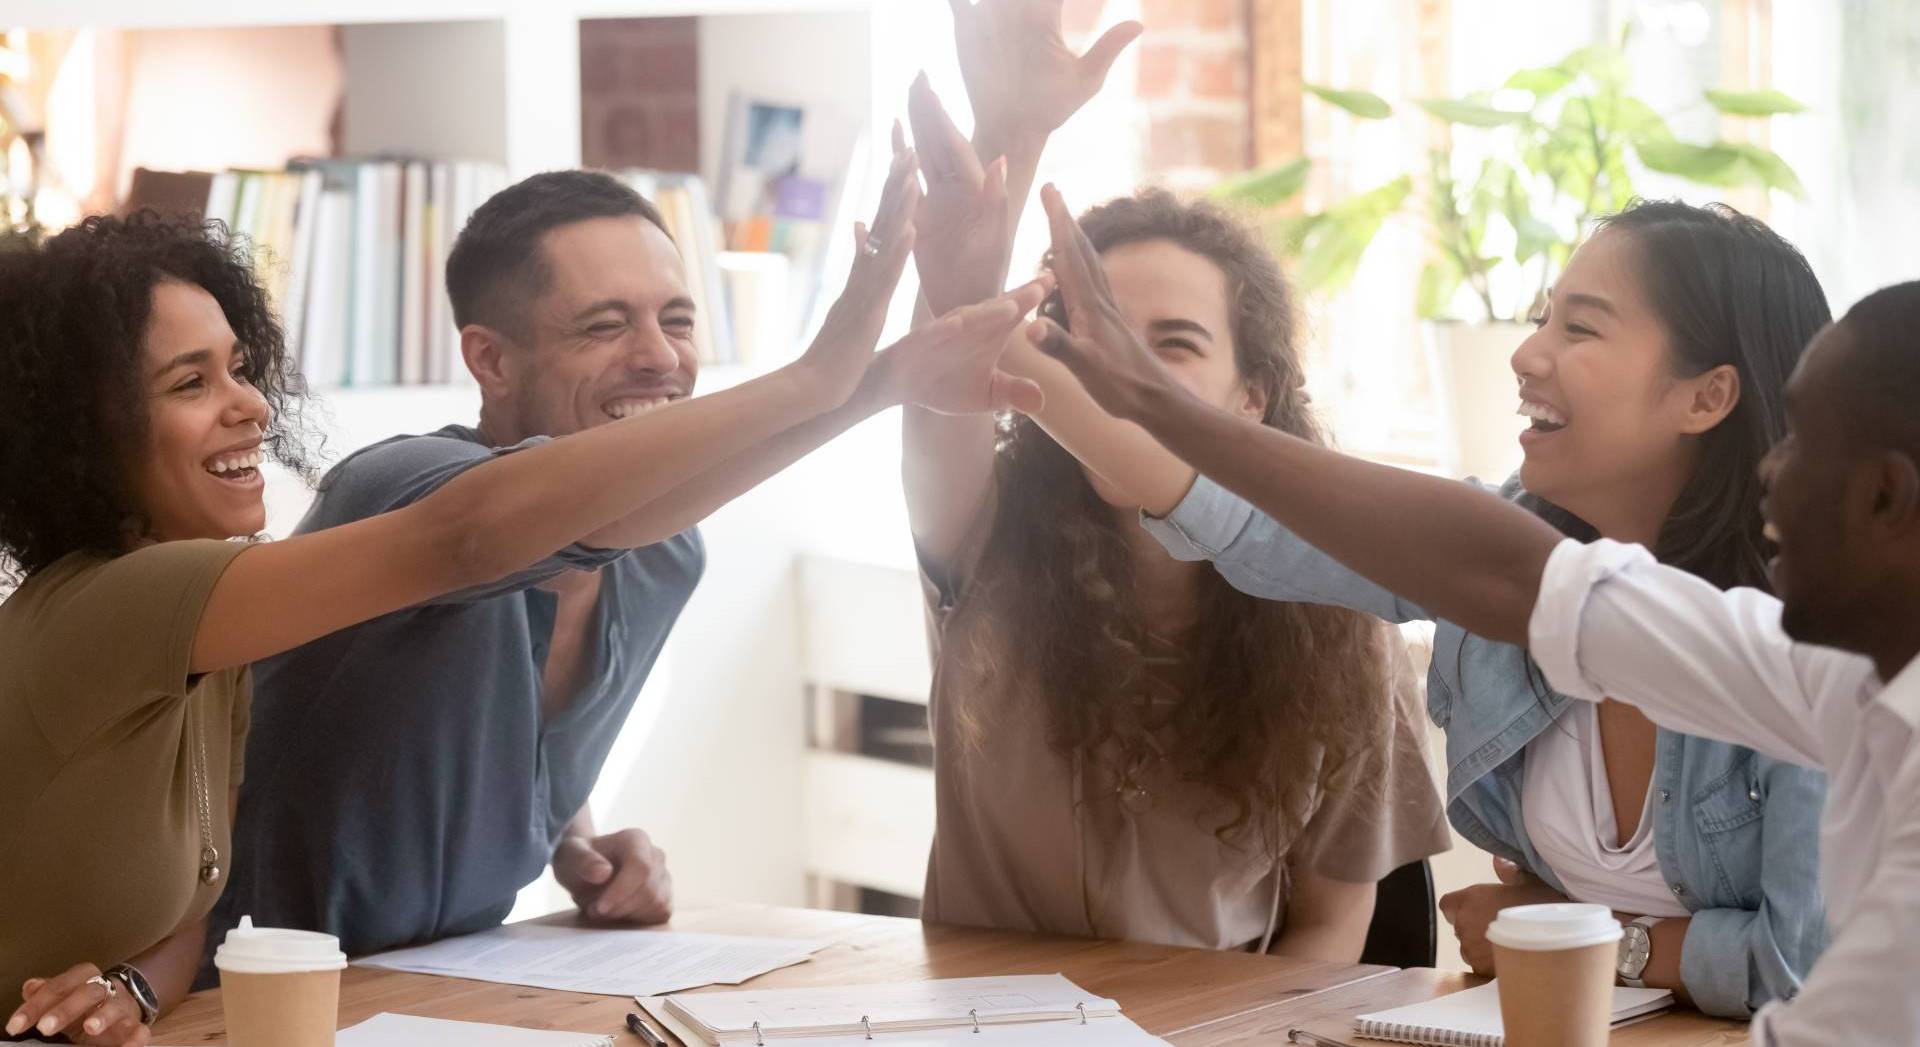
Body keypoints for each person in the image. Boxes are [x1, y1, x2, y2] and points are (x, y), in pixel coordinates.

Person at [0, 157, 1045, 1043]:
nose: (250, 406)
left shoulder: (659, 559)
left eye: (239, 370)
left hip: (415, 1004)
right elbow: (471, 535)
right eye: (190, 383)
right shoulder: (192, 577)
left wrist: (569, 834)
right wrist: (836, 383)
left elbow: (187, 904)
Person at [1030, 180, 1920, 1040]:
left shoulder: (1831, 682)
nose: (1526, 354)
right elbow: (1478, 564)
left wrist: (1592, 932)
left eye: (1580, 327)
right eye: (1541, 317)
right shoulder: (1789, 664)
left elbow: (1796, 964)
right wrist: (1128, 398)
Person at [903, 0, 1449, 960]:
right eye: (1088, 334)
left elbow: (1333, 924)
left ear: (1253, 397)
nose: (1119, 371)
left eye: (1177, 344)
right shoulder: (983, 530)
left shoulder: (1339, 612)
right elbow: (949, 351)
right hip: (980, 1018)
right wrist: (1011, 132)